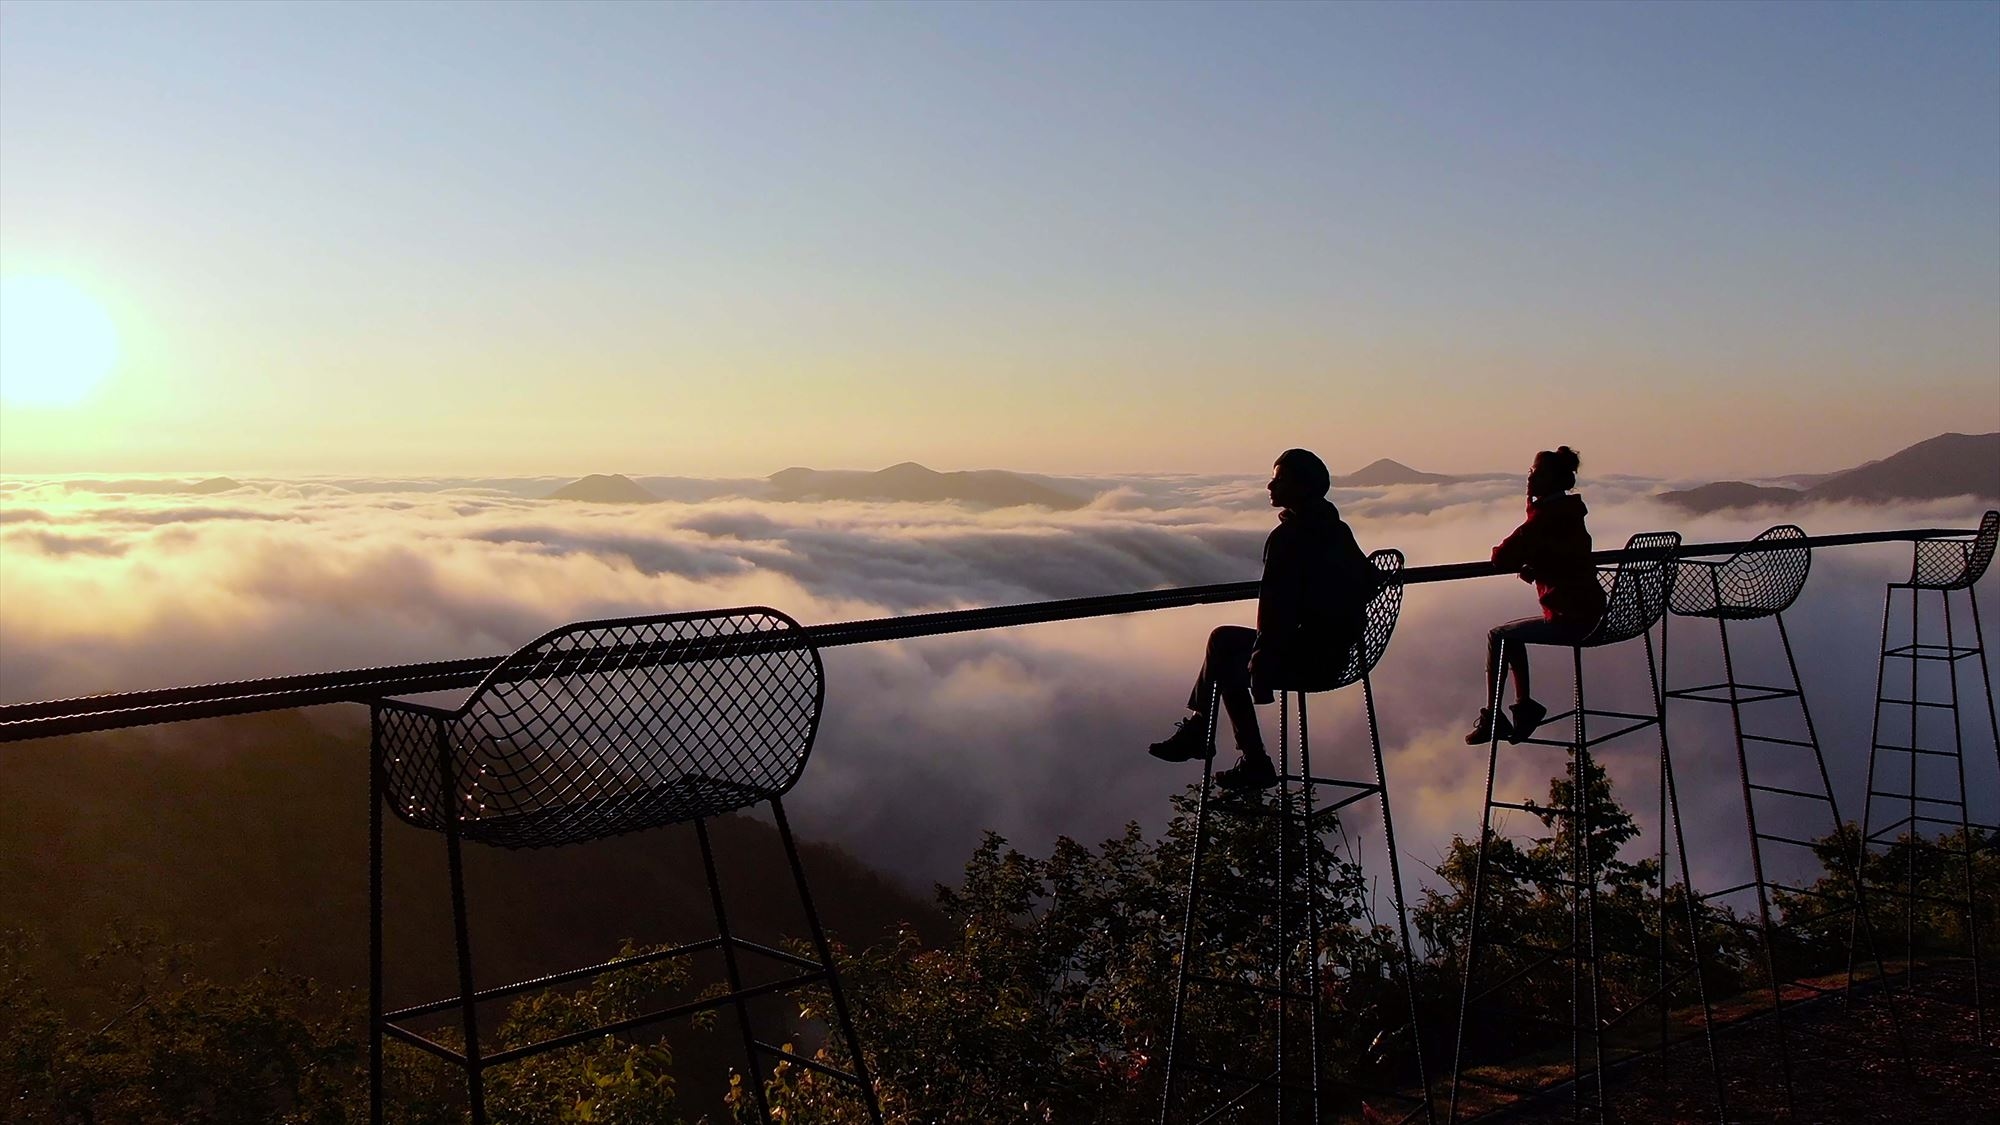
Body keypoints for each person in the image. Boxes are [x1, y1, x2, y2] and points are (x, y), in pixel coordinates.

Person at [1149, 449, 1377, 790]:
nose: (1270, 486)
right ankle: (1201, 729)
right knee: (1222, 640)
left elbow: (1275, 610)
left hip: (1312, 659)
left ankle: (1251, 758)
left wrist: (1262, 659)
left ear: (1302, 487)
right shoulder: (1336, 529)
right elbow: (1371, 582)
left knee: (1225, 658)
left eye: (1280, 479)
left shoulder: (1289, 538)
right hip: (1339, 653)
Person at [1466, 446, 1606, 745]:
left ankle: (1499, 714)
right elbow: (1564, 558)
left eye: (1535, 472)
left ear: (1549, 479)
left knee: (1499, 635)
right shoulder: (1570, 514)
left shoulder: (1545, 517)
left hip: (1572, 617)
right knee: (1510, 635)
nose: (1529, 477)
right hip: (1594, 611)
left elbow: (1502, 557)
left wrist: (1533, 562)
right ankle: (1522, 707)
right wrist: (1539, 568)